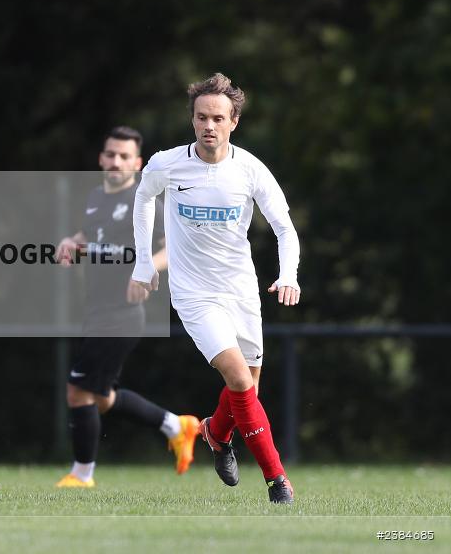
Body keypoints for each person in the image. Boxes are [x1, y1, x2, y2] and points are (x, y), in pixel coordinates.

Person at [131, 73, 300, 504]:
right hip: (194, 293)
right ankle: (277, 480)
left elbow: (284, 227)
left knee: (249, 390)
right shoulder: (166, 164)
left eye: (218, 118)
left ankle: (214, 432)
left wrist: (288, 274)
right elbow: (144, 199)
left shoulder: (250, 169)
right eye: (202, 117)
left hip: (240, 290)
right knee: (240, 380)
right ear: (192, 120)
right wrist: (144, 261)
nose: (209, 125)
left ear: (233, 122)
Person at [53, 126, 199, 488]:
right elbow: (91, 238)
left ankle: (81, 474)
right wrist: (72, 241)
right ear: (102, 158)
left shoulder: (147, 199)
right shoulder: (95, 198)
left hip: (123, 312)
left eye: (124, 156)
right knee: (101, 398)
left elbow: (174, 247)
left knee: (77, 391)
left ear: (136, 163)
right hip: (97, 309)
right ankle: (175, 425)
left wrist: (145, 268)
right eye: (110, 154)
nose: (115, 161)